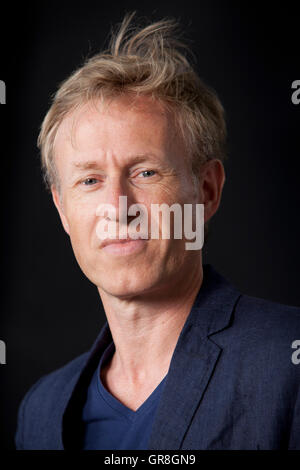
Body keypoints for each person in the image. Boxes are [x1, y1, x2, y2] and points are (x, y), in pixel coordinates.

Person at [15, 13, 300, 450]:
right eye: (89, 180)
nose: (118, 207)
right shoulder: (41, 411)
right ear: (62, 209)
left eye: (146, 172)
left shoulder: (286, 364)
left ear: (206, 191)